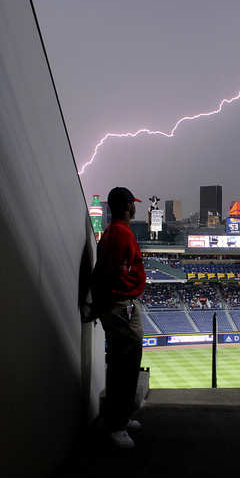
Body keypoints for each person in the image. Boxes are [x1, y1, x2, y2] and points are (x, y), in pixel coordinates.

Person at [91, 187, 146, 449]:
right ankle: (116, 425)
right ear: (127, 206)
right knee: (125, 363)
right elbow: (109, 272)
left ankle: (119, 418)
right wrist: (106, 302)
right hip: (121, 304)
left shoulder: (114, 232)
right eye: (132, 204)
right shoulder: (121, 233)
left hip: (119, 303)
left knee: (121, 362)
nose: (135, 207)